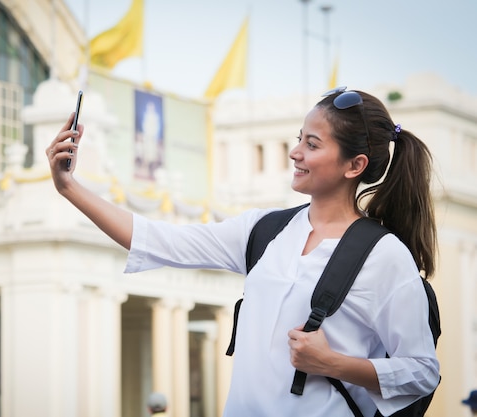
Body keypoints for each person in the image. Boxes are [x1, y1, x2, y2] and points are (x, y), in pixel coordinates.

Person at [46, 86, 440, 416]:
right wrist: (68, 187)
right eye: (299, 138)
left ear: (354, 165)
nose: (295, 152)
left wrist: (333, 364)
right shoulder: (265, 230)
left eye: (312, 144)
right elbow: (156, 239)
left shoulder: (385, 256)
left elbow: (422, 372)